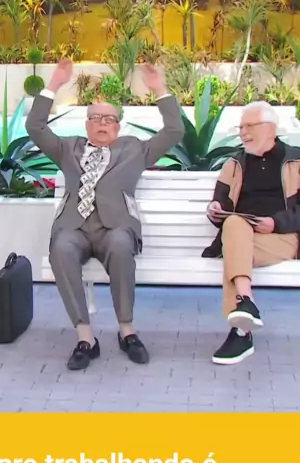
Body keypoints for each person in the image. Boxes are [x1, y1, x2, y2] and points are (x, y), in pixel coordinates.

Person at [26, 57, 184, 370]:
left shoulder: (135, 149)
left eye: (109, 119)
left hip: (116, 228)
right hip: (75, 227)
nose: (102, 123)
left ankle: (127, 332)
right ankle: (85, 338)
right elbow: (35, 127)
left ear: (118, 127)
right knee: (60, 249)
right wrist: (54, 83)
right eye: (95, 118)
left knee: (122, 246)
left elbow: (174, 130)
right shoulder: (67, 148)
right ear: (86, 124)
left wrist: (160, 89)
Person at [203, 100, 300, 365]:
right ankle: (245, 305)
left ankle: (241, 331)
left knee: (234, 251)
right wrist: (215, 209)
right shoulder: (234, 164)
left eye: (249, 126)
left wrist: (275, 223)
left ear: (270, 128)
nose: (243, 132)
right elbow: (221, 203)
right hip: (241, 235)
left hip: (285, 238)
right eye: (241, 127)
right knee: (234, 225)